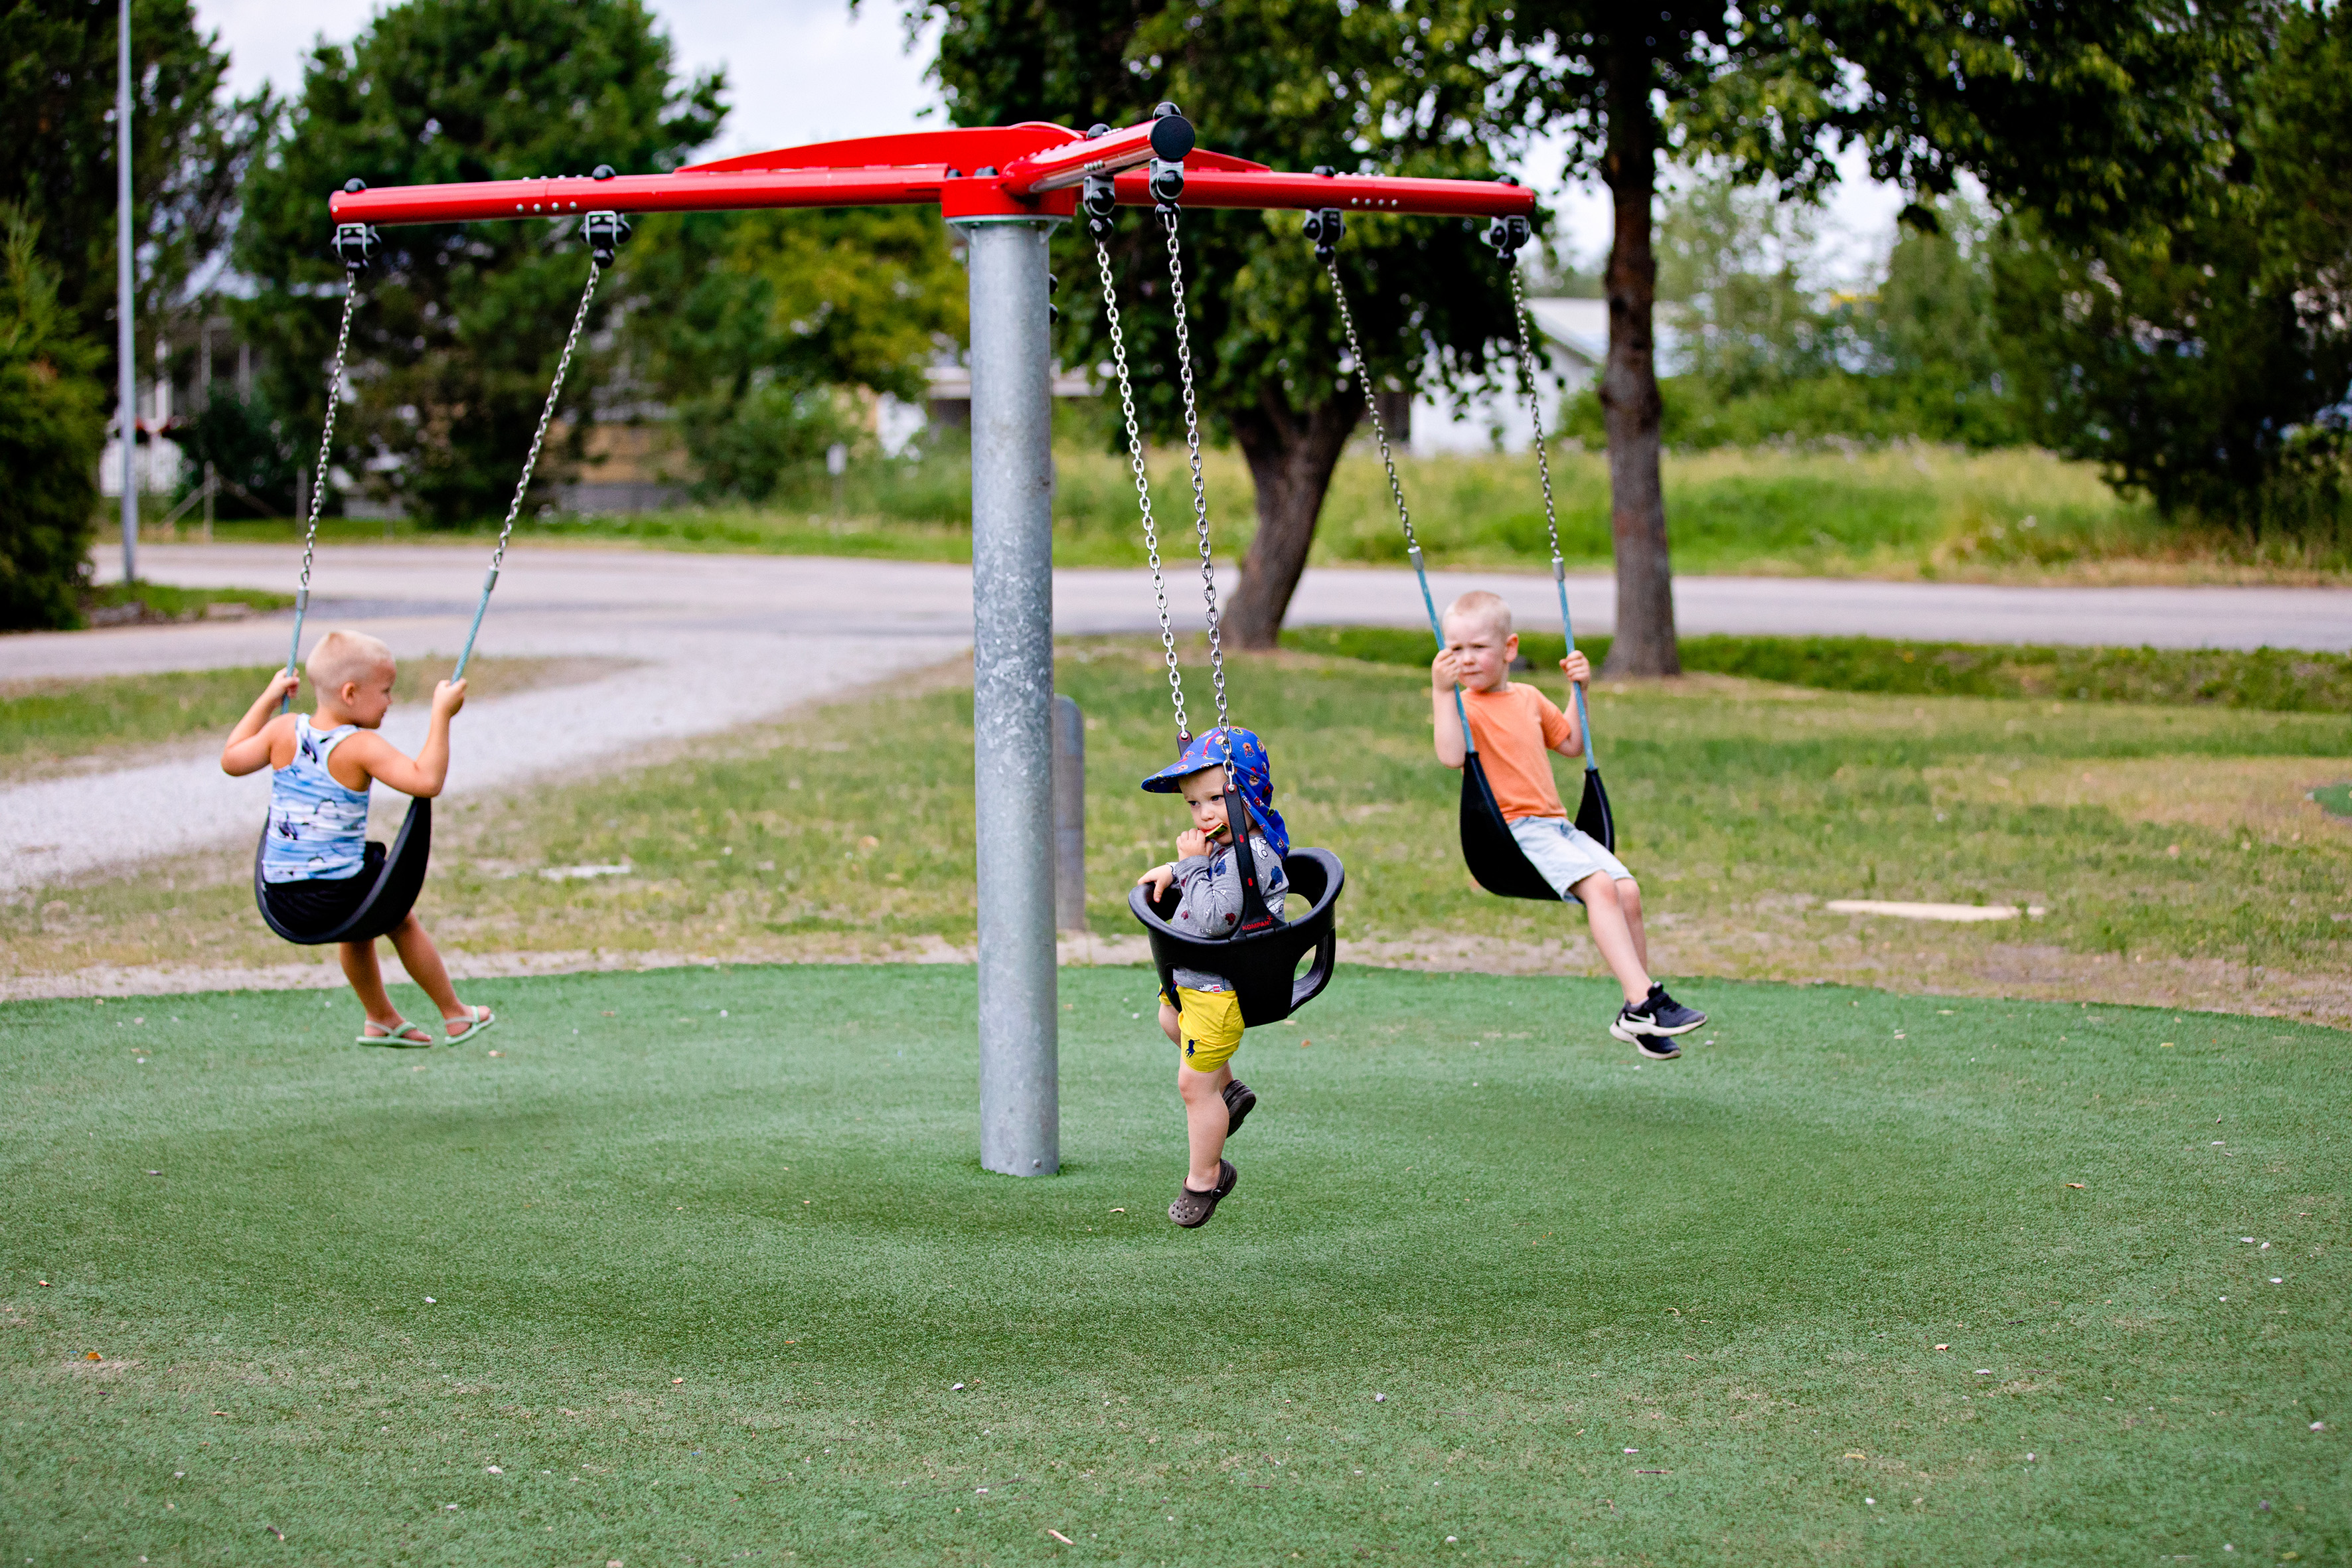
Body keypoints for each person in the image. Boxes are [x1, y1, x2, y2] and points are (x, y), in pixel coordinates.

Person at [1431, 590, 1705, 1058]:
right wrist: (1441, 693)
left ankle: (1636, 1014)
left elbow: (1572, 743)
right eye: (1456, 650)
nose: (1467, 659)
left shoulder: (1529, 698)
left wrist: (1579, 692)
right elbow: (1450, 755)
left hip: (1557, 827)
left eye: (1478, 648)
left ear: (1509, 649)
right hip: (1515, 832)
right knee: (1600, 887)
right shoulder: (1466, 709)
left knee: (1627, 892)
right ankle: (1645, 1000)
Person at [220, 629, 494, 1048]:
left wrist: (269, 698)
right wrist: (441, 715)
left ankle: (380, 1017)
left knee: (359, 919)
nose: (390, 700)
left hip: (280, 897)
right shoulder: (359, 746)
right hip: (332, 895)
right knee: (398, 918)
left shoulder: (282, 730)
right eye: (385, 691)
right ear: (351, 693)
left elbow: (231, 759)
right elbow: (427, 781)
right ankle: (454, 1014)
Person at [1135, 727, 1288, 1228]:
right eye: (1193, 804)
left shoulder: (1254, 857)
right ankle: (1230, 1092)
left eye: (1215, 800)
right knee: (1167, 1019)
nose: (1202, 815)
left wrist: (1190, 868)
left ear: (1248, 793)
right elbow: (1209, 873)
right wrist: (1174, 870)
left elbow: (1215, 918)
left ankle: (1206, 1176)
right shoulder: (1227, 848)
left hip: (1222, 988)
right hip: (1194, 981)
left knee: (1191, 1087)